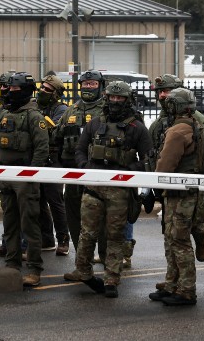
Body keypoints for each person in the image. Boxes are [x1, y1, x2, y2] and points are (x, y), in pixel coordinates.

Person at [65, 80, 151, 298]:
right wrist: (85, 167)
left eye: (119, 98)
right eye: (112, 97)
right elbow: (80, 149)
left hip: (119, 191)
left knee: (115, 236)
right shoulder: (95, 123)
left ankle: (112, 277)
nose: (115, 101)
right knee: (87, 234)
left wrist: (129, 170)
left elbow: (149, 158)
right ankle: (83, 270)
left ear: (127, 100)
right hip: (93, 189)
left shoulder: (137, 128)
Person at [149, 73, 204, 296]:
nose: (163, 98)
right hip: (185, 190)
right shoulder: (191, 124)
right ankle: (172, 281)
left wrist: (153, 182)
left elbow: (165, 165)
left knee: (178, 239)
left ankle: (185, 289)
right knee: (172, 237)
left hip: (178, 190)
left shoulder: (179, 128)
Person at [0, 72, 50, 287]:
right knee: (9, 223)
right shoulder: (5, 114)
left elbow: (41, 149)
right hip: (5, 176)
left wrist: (31, 175)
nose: (11, 93)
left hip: (25, 178)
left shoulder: (34, 117)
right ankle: (12, 265)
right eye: (10, 89)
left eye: (16, 90)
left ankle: (34, 269)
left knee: (29, 224)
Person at [59, 70, 105, 259]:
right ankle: (82, 257)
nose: (88, 87)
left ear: (100, 85)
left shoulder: (106, 109)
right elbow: (57, 135)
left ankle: (105, 255)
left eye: (92, 84)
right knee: (73, 213)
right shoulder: (71, 110)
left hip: (99, 171)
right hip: (74, 171)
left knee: (101, 215)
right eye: (85, 84)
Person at [36, 74, 71, 254]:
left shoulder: (61, 109)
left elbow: (55, 131)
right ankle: (47, 238)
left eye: (47, 89)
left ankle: (63, 239)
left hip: (53, 159)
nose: (42, 91)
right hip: (37, 158)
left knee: (55, 201)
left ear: (56, 94)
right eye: (42, 87)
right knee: (39, 199)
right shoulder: (34, 106)